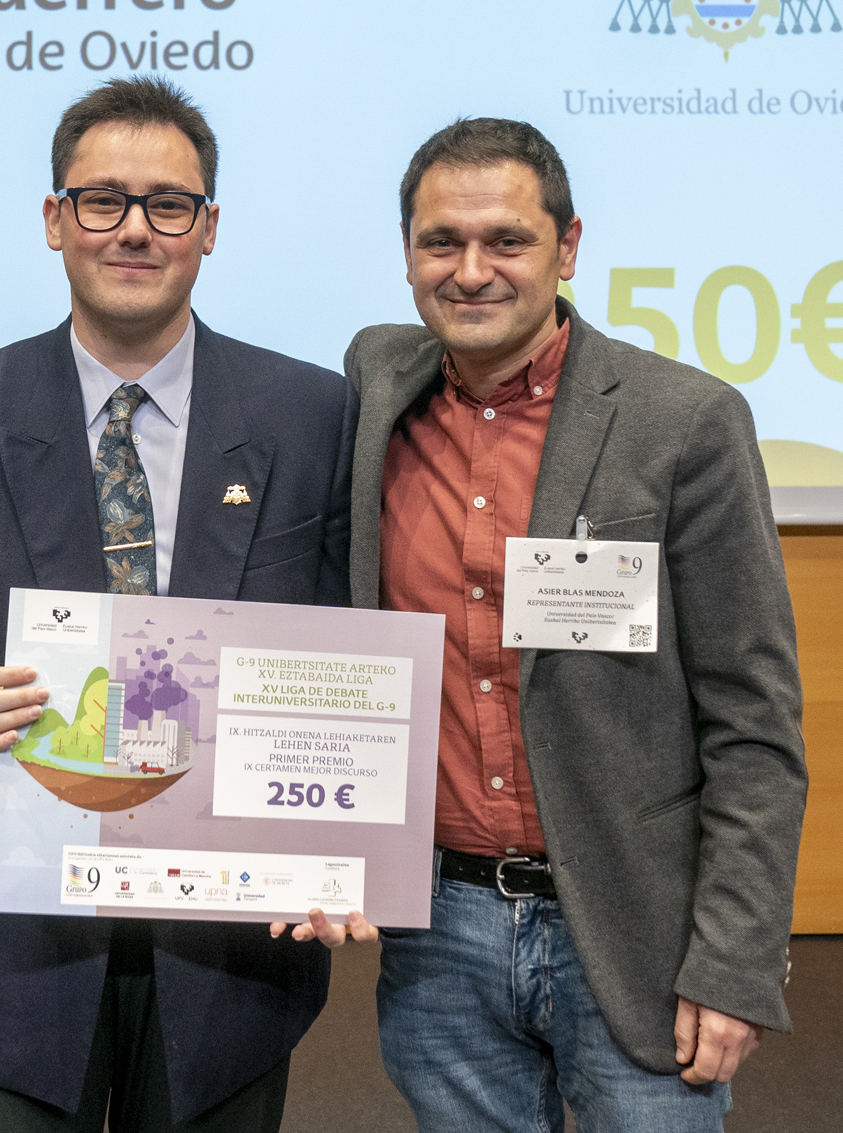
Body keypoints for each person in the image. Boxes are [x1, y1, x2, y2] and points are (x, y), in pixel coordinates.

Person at [0, 76, 355, 1133]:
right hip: (10, 940)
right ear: (54, 220)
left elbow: (347, 642)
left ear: (207, 229)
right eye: (102, 200)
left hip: (228, 954)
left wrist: (348, 833)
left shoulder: (312, 415)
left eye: (168, 205)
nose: (135, 229)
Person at [336, 117, 807, 1132]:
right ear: (406, 251)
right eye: (439, 243)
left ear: (569, 247)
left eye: (506, 240)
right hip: (439, 927)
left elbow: (754, 723)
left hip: (634, 926)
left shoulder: (682, 420)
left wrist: (733, 961)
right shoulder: (379, 385)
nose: (470, 271)